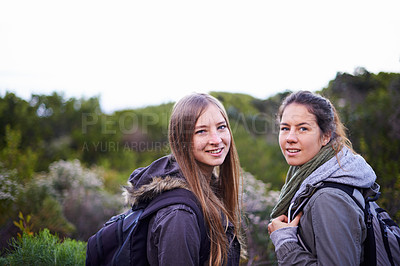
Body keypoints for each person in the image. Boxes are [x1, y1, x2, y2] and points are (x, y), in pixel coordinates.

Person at [124, 93, 243, 265]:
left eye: (221, 127)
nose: (216, 140)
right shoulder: (179, 215)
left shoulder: (210, 189)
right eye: (201, 131)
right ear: (181, 139)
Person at [267, 90, 379, 265]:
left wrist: (285, 243)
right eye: (285, 128)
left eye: (303, 128)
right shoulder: (309, 180)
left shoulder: (328, 198)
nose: (290, 138)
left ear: (326, 136)